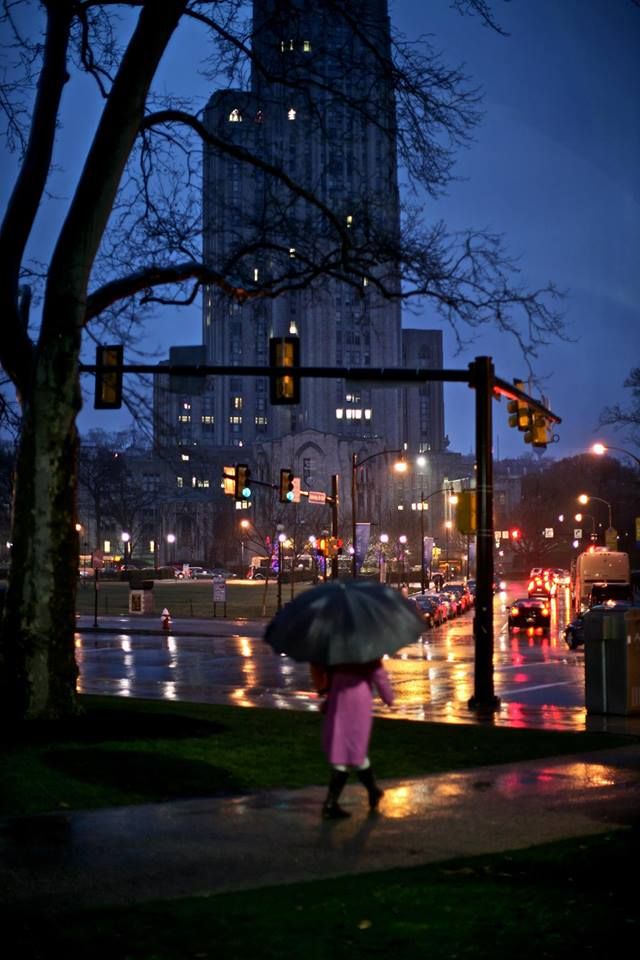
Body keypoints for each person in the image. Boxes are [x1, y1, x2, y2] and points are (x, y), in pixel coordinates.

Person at [314, 658, 394, 820]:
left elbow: (328, 675)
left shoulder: (336, 653)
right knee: (354, 749)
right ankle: (334, 803)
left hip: (338, 699)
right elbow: (379, 675)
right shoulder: (367, 652)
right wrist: (388, 697)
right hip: (358, 701)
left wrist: (328, 699)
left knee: (345, 749)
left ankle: (369, 792)